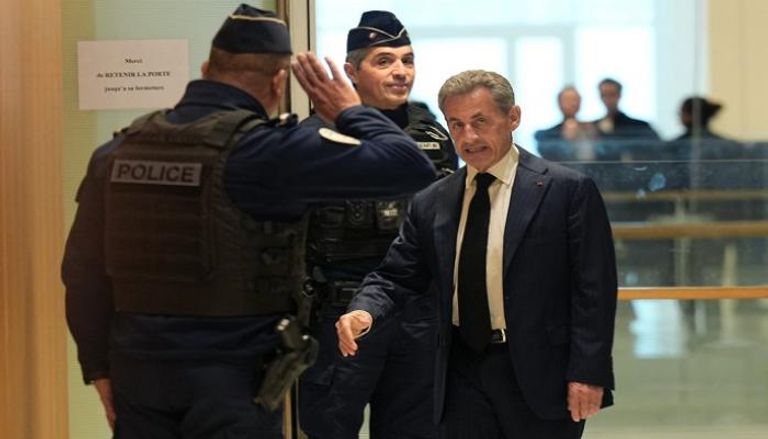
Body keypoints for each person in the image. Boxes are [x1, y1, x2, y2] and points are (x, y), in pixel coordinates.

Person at [62, 4, 437, 438]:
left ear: (206, 70)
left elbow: (82, 273)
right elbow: (409, 166)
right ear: (279, 82)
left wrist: (98, 368)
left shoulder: (116, 154)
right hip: (232, 379)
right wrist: (349, 111)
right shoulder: (269, 155)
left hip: (139, 374)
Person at [338, 70, 618, 439]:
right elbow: (397, 275)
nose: (468, 137)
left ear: (513, 117)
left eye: (480, 121)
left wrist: (588, 373)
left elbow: (594, 292)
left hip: (540, 374)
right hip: (461, 373)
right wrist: (364, 310)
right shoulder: (433, 200)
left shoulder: (566, 190)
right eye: (456, 124)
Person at [298, 11, 457, 439]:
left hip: (416, 314)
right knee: (329, 428)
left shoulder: (433, 134)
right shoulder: (316, 136)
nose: (401, 71)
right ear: (351, 72)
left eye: (408, 60)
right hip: (339, 313)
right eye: (384, 61)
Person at [594, 77, 659, 161]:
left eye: (612, 94)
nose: (608, 99)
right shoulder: (594, 126)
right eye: (604, 95)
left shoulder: (640, 126)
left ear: (619, 95)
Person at [535, 85, 598, 162]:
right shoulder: (546, 135)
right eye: (567, 100)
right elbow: (544, 151)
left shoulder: (591, 128)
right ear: (559, 103)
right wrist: (566, 139)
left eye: (575, 100)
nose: (572, 103)